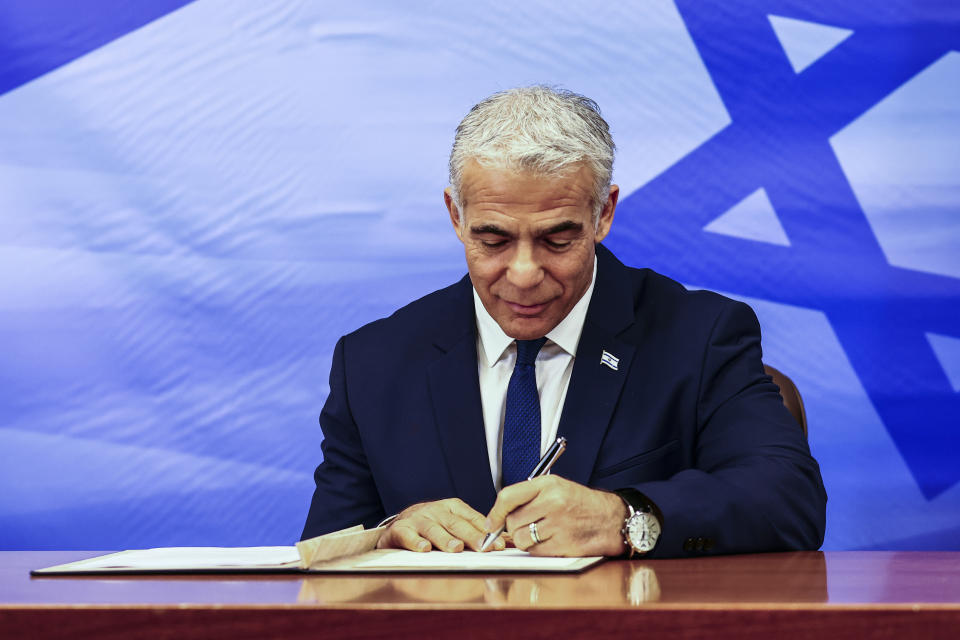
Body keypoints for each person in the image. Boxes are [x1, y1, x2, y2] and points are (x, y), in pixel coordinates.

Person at [301, 86, 826, 558]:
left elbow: (789, 499)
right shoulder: (373, 362)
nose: (525, 274)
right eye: (493, 240)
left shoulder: (700, 335)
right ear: (455, 216)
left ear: (604, 214)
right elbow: (320, 556)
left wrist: (624, 517)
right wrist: (390, 534)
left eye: (557, 239)